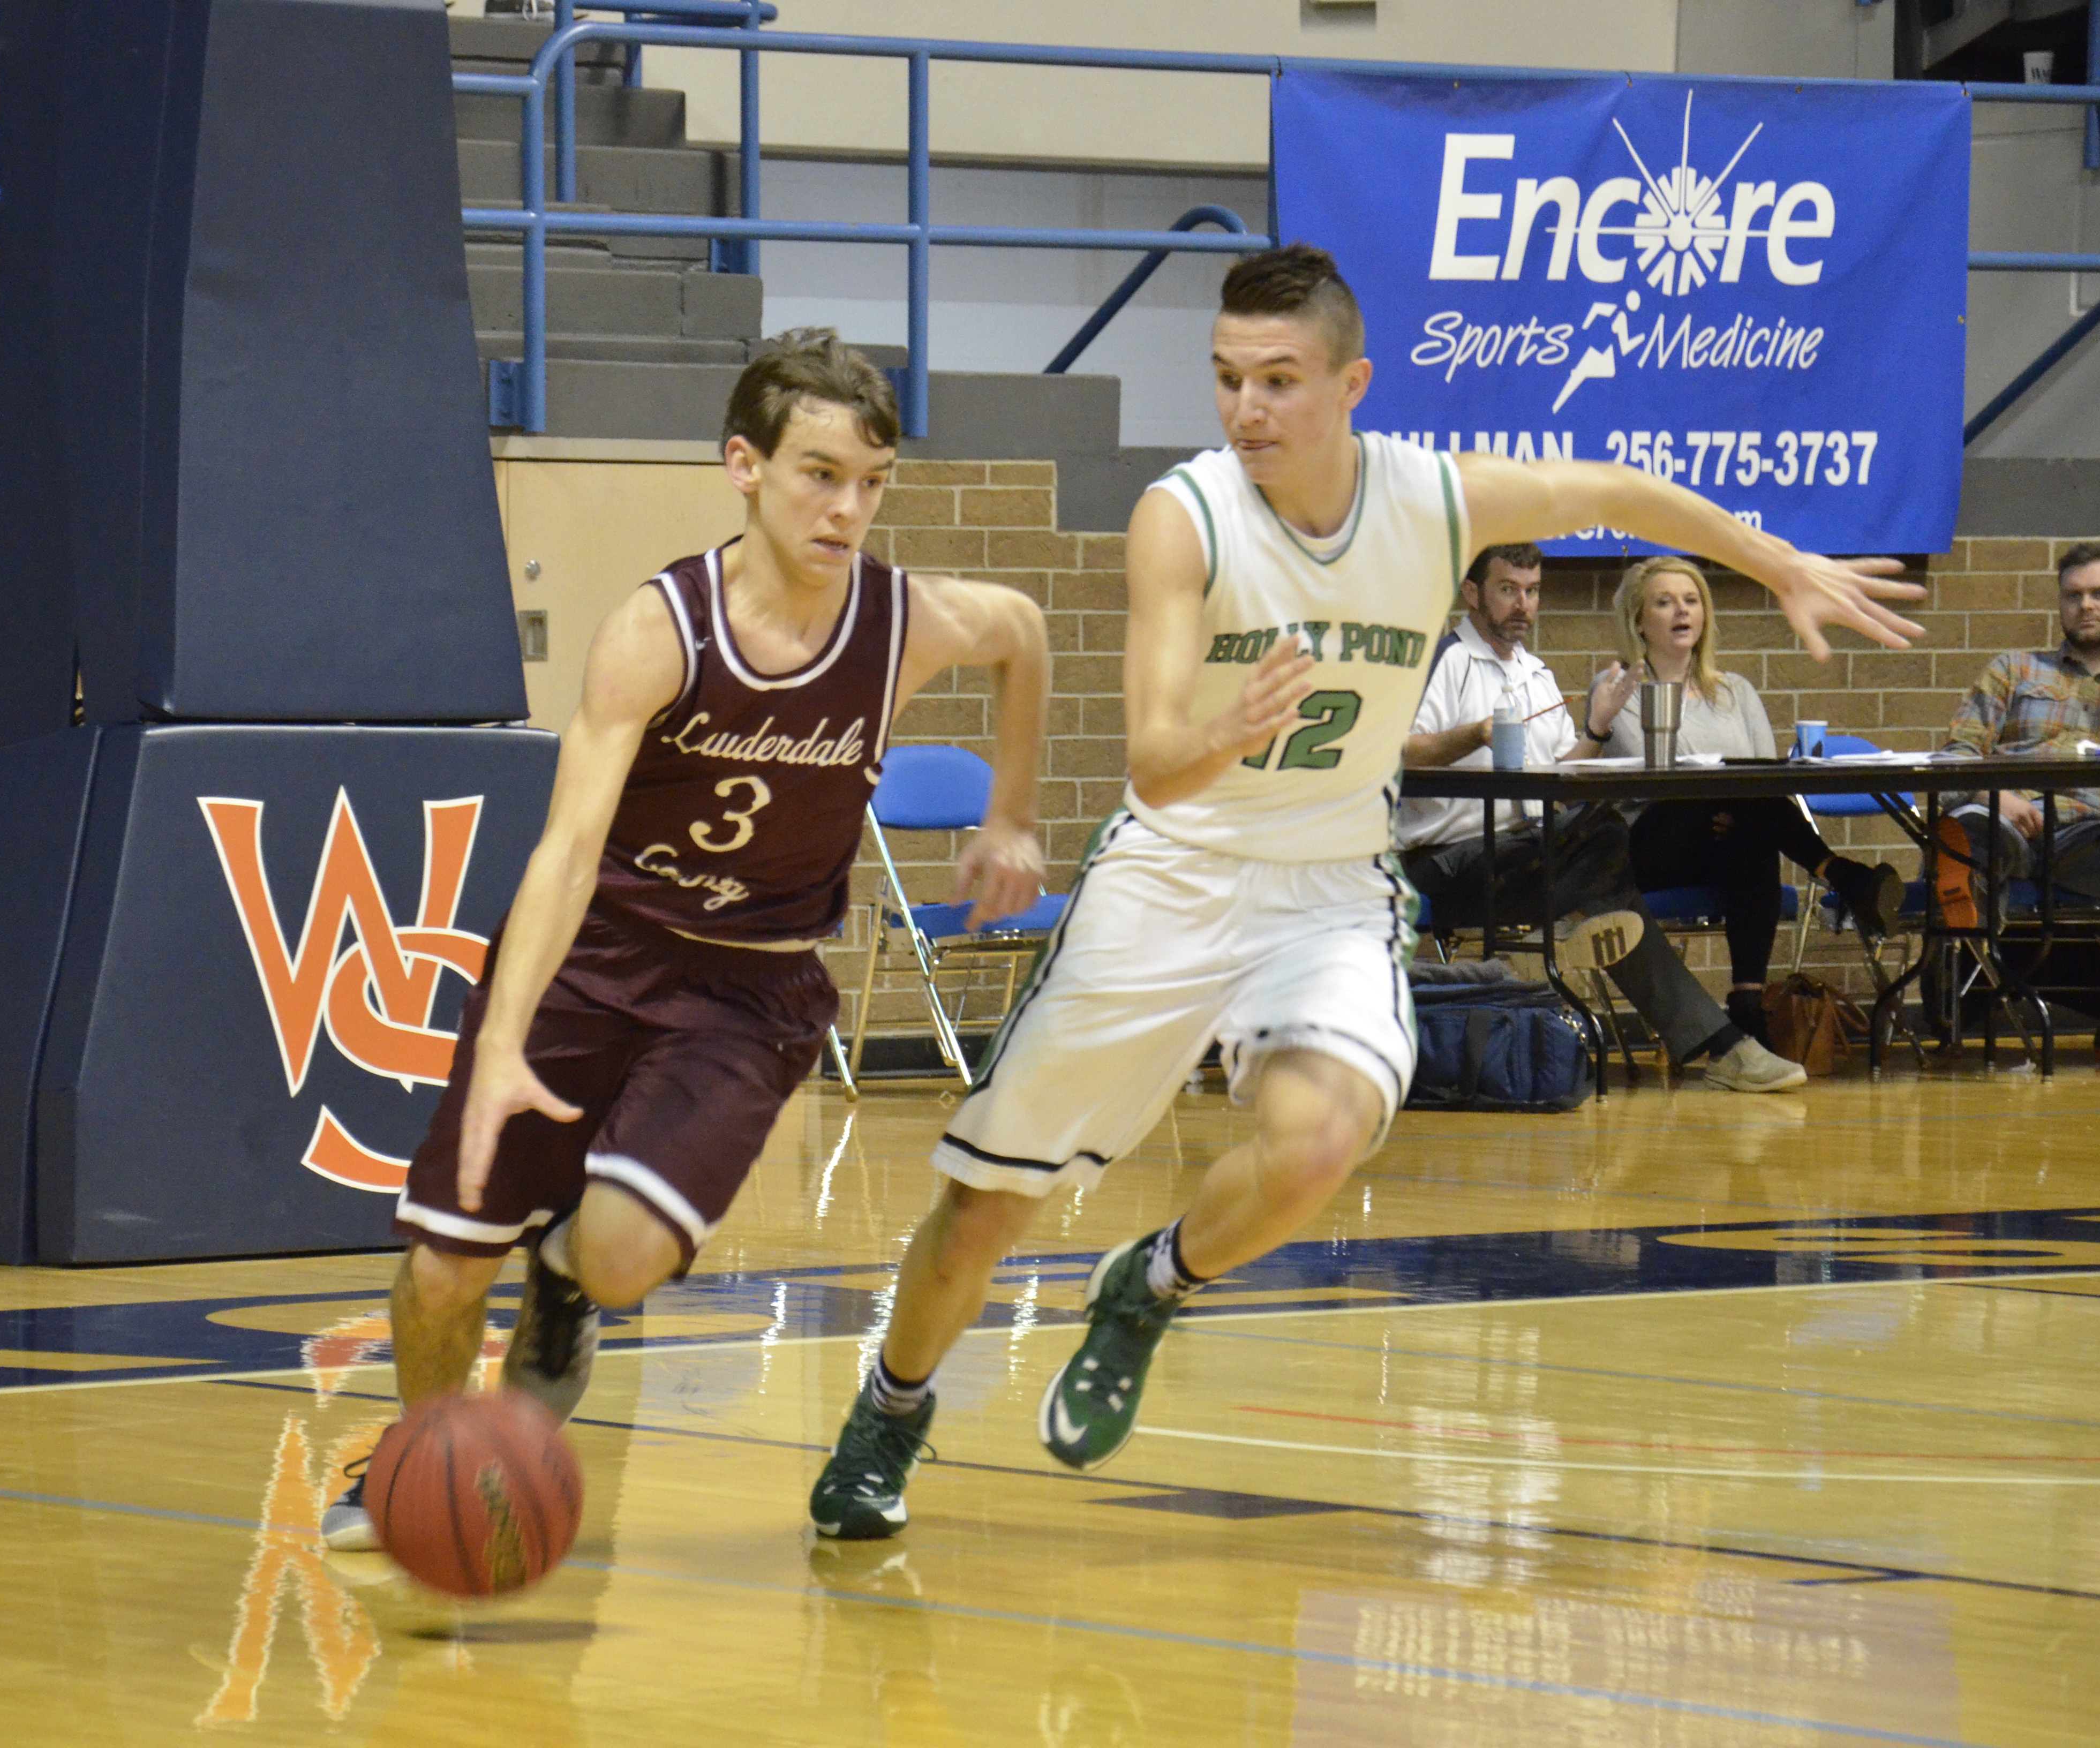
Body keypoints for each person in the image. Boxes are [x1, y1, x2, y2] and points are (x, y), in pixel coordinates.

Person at [805, 244, 1923, 1540]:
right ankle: (891, 1407)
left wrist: (1777, 563)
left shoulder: (1435, 500)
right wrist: (1233, 724)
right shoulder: (1187, 515)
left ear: (1353, 386)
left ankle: (1147, 1287)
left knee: (1324, 1138)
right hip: (1172, 878)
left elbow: (1622, 486)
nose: (1246, 408)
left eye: (1279, 380)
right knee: (990, 1203)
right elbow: (1155, 770)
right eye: (1227, 379)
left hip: (1331, 885)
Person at [321, 330, 1051, 1551]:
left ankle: (567, 1287)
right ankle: (425, 1469)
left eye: (872, 481)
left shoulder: (900, 622)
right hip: (593, 957)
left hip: (748, 991)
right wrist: (500, 1042)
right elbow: (564, 850)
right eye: (820, 473)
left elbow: (1025, 631)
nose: (848, 507)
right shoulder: (658, 629)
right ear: (744, 466)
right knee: (446, 1268)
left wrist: (1014, 812)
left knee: (613, 1252)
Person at [1396, 544, 1811, 1091]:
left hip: (1529, 855)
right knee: (1603, 846)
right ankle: (1723, 1044)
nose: (1522, 604)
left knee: (1602, 865)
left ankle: (1721, 1045)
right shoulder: (1445, 659)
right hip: (1450, 864)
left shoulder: (1535, 673)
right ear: (1473, 594)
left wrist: (1594, 728)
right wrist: (1472, 734)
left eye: (1532, 590)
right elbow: (1399, 750)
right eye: (1507, 590)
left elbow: (1563, 779)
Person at [1591, 554, 1902, 1039]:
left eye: (1692, 601)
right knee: (1712, 797)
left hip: (1726, 838)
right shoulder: (1620, 689)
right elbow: (1659, 776)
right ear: (1639, 621)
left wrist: (1737, 808)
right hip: (1651, 842)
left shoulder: (1735, 691)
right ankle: (1843, 876)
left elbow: (1766, 781)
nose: (1682, 612)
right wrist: (1732, 799)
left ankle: (1747, 1005)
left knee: (1753, 833)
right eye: (1666, 602)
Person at [1927, 541, 2100, 929]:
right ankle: (1973, 961)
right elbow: (1953, 757)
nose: (2086, 606)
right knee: (1969, 833)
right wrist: (1991, 794)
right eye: (2073, 596)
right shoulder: (2014, 670)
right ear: (2061, 604)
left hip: (2088, 835)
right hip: (2005, 817)